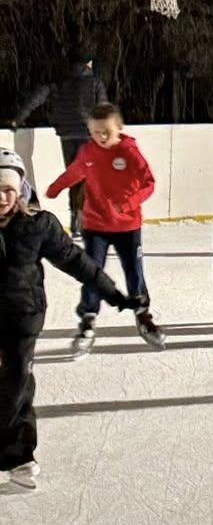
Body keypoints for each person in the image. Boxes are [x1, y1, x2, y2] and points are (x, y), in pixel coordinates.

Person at [0, 152, 124, 492]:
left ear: (21, 189)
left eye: (8, 190)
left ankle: (20, 458)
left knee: (16, 382)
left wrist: (108, 290)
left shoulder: (37, 225)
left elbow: (73, 259)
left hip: (23, 315)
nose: (1, 197)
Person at [46, 103, 166, 353]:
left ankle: (142, 312)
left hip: (128, 226)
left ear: (119, 128)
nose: (100, 137)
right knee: (92, 272)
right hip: (95, 225)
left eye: (106, 132)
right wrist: (55, 188)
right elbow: (74, 173)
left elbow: (149, 183)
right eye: (95, 132)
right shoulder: (88, 151)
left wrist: (130, 202)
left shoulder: (129, 151)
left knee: (134, 270)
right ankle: (88, 317)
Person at [11, 50, 106, 236]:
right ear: (88, 63)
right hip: (88, 135)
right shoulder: (95, 82)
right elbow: (103, 108)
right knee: (87, 177)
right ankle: (83, 221)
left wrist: (18, 119)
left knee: (75, 176)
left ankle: (78, 221)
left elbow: (36, 98)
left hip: (67, 135)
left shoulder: (58, 83)